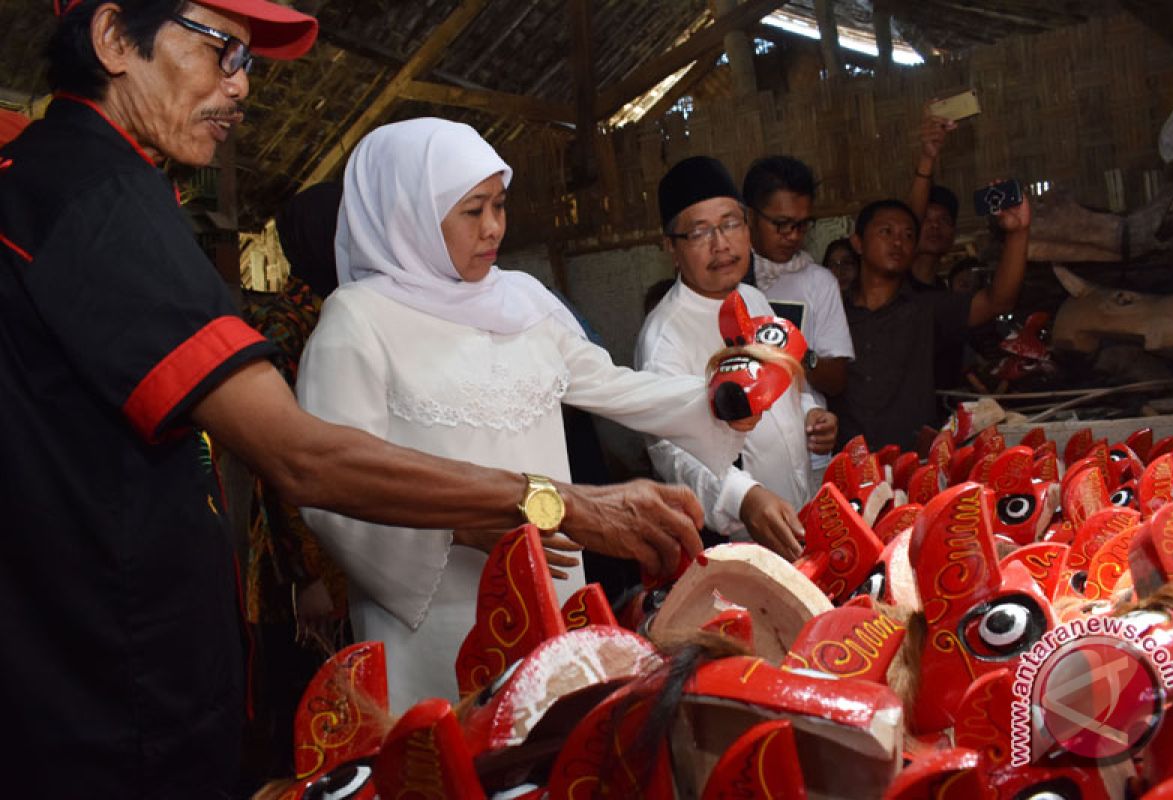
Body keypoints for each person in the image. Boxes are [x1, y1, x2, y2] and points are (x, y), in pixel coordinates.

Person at [0, 2, 711, 794]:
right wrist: (558, 505)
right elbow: (302, 458)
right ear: (112, 38)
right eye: (221, 51)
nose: (240, 88)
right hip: (105, 688)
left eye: (248, 63)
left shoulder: (49, 178)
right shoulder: (99, 196)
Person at [295, 119, 752, 713]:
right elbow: (333, 492)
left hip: (549, 576)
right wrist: (462, 524)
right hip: (437, 606)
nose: (494, 228)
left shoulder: (521, 298)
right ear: (408, 212)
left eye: (500, 205)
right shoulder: (356, 323)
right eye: (472, 210)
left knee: (548, 732)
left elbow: (609, 384)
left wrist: (717, 401)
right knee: (457, 744)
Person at [636, 156, 838, 560]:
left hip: (798, 515)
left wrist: (811, 413)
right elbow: (672, 455)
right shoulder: (664, 339)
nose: (721, 245)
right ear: (671, 248)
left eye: (730, 223)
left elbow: (788, 380)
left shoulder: (752, 298)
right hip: (738, 542)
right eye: (699, 232)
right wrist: (742, 497)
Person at [830, 196, 1031, 452]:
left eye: (908, 235)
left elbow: (998, 300)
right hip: (842, 467)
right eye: (886, 231)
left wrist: (1017, 232)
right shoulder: (832, 311)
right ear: (858, 243)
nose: (898, 241)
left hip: (914, 465)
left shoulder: (927, 308)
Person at [742, 155, 854, 484]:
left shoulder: (819, 282)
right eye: (781, 224)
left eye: (803, 225)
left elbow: (836, 379)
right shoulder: (727, 281)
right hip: (744, 454)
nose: (793, 235)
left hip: (808, 450)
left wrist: (788, 347)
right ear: (749, 215)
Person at [908, 103, 961, 290]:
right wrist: (927, 158)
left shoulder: (943, 295)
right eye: (926, 218)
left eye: (944, 220)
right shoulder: (892, 285)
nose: (935, 226)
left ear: (954, 234)